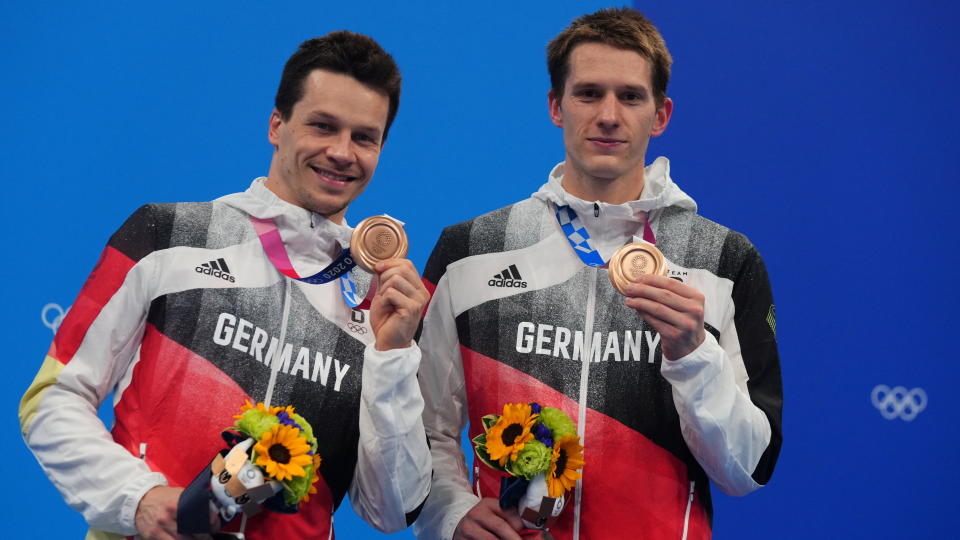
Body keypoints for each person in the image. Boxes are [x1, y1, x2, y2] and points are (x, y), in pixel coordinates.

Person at [19, 31, 431, 539]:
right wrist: (137, 498)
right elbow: (51, 401)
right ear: (276, 125)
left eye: (364, 137)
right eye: (322, 126)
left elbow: (390, 511)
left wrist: (393, 356)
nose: (342, 152)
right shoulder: (169, 235)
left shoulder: (382, 300)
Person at [414, 8, 782, 539]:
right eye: (588, 93)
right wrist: (448, 511)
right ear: (555, 106)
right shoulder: (470, 249)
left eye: (630, 96)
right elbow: (427, 429)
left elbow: (749, 470)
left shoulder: (724, 260)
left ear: (661, 115)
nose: (609, 115)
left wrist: (694, 356)